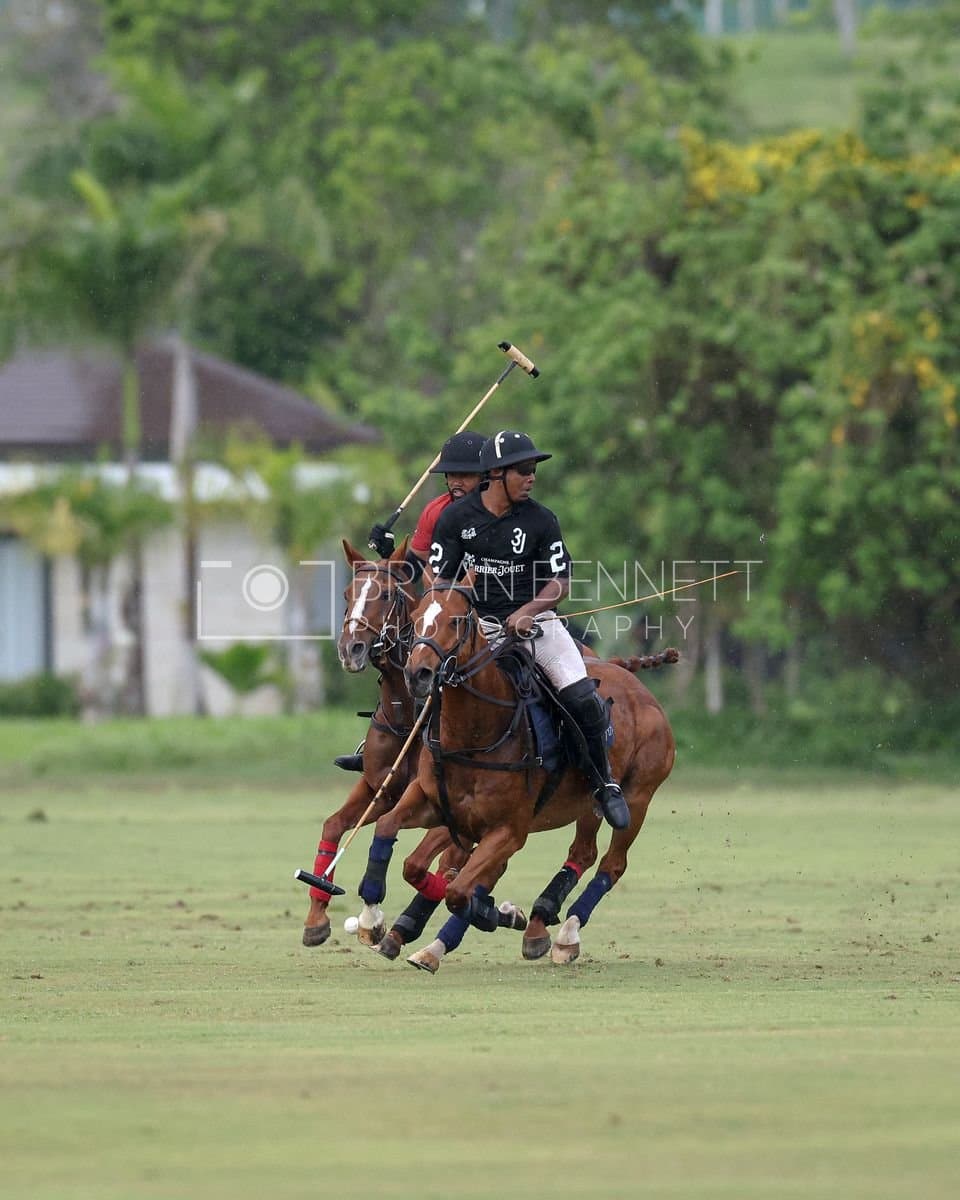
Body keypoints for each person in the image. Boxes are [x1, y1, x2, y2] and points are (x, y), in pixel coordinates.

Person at [425, 430, 630, 830]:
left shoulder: (540, 519)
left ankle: (604, 782)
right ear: (496, 473)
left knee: (581, 697)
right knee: (427, 684)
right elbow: (439, 578)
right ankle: (413, 772)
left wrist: (529, 610)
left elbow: (560, 581)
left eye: (533, 469)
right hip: (477, 628)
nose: (531, 477)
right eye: (523, 470)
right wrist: (456, 610)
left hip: (537, 628)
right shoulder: (457, 518)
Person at [334, 430, 485, 772]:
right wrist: (388, 553)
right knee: (403, 648)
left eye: (465, 474)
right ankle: (389, 738)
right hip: (444, 608)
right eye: (451, 474)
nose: (455, 482)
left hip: (494, 606)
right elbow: (412, 570)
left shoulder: (496, 512)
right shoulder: (436, 511)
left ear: (487, 475)